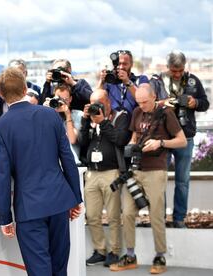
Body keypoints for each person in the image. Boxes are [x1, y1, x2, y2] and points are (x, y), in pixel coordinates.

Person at [0, 67, 83, 276]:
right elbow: (67, 158)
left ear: (1, 94)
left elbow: (2, 175)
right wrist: (75, 198)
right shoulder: (50, 115)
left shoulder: (0, 127)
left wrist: (5, 218)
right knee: (60, 268)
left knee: (39, 270)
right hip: (59, 200)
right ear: (25, 88)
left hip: (29, 206)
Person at [110, 84, 187, 274]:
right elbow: (134, 136)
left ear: (154, 97)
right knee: (127, 212)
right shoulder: (137, 112)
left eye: (145, 102)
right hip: (135, 171)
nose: (142, 105)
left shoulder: (166, 113)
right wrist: (132, 146)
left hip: (156, 170)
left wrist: (160, 143)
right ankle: (130, 255)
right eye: (139, 102)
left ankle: (160, 256)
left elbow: (182, 141)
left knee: (156, 215)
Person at [150, 51, 210, 228]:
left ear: (185, 67)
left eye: (180, 70)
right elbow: (147, 103)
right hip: (164, 136)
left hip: (186, 136)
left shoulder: (193, 81)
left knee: (182, 182)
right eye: (174, 70)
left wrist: (195, 103)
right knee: (159, 179)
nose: (177, 74)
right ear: (168, 67)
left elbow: (205, 103)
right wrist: (162, 103)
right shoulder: (158, 81)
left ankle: (179, 219)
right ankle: (160, 219)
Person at [78, 89, 130, 267]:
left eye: (99, 102)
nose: (96, 107)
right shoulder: (91, 119)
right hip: (92, 173)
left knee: (114, 215)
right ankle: (100, 250)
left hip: (112, 172)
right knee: (91, 215)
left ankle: (114, 252)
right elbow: (82, 142)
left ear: (107, 101)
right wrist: (86, 121)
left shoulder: (120, 117)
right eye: (93, 103)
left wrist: (103, 122)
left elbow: (121, 139)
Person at [98, 50, 149, 115]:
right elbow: (97, 100)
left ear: (131, 64)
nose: (121, 67)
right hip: (114, 123)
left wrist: (127, 81)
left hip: (133, 123)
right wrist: (101, 82)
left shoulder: (141, 79)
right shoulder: (109, 82)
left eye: (125, 64)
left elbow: (144, 99)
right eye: (119, 64)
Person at [43, 84, 80, 162]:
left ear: (70, 99)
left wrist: (68, 114)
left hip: (73, 162)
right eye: (59, 99)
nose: (62, 102)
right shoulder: (50, 115)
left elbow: (72, 140)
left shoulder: (78, 115)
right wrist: (46, 112)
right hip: (53, 163)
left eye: (65, 99)